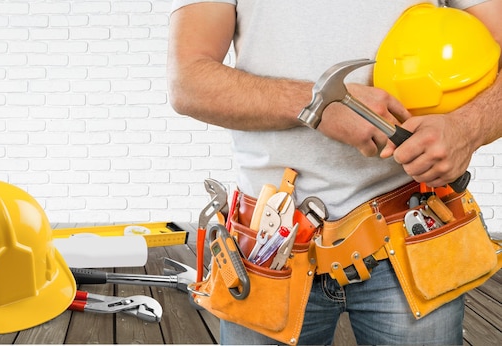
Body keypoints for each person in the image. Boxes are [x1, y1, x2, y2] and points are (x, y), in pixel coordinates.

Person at [167, 0, 502, 345]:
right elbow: (187, 80)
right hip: (270, 250)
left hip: (413, 233)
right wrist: (314, 105)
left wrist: (468, 128)